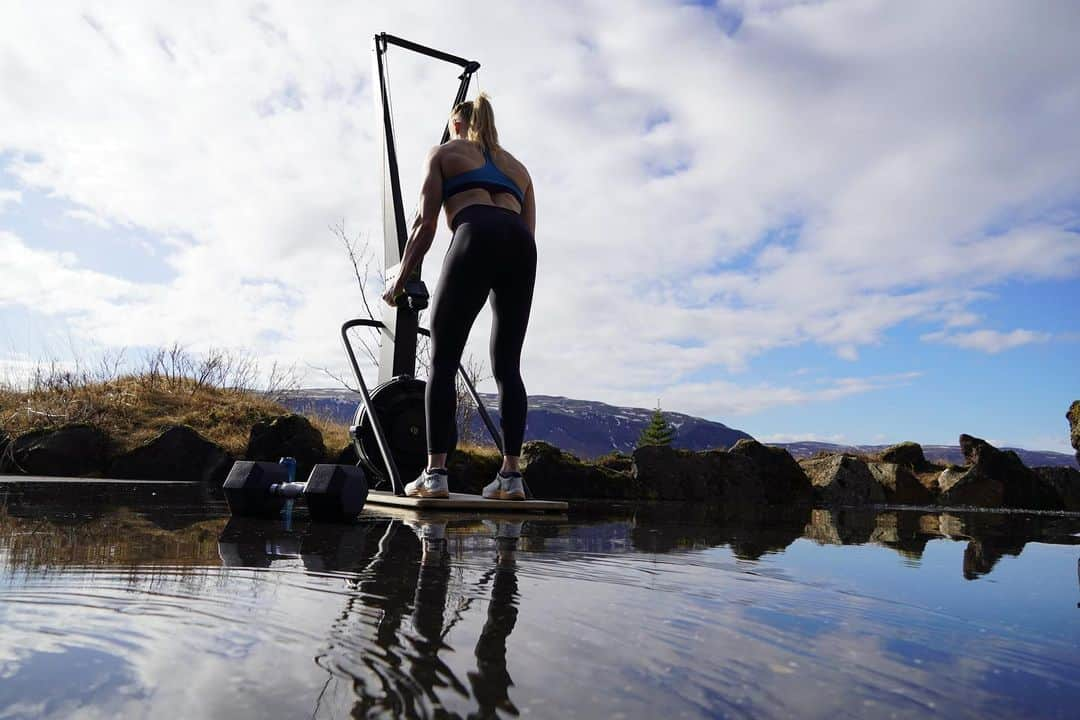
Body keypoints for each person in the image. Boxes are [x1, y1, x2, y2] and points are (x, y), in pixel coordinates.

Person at [382, 93, 536, 501]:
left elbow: (425, 225)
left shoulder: (444, 152)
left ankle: (435, 476)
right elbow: (527, 233)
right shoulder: (520, 170)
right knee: (508, 366)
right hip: (521, 248)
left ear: (455, 123)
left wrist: (399, 281)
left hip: (475, 234)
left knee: (443, 362)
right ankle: (511, 478)